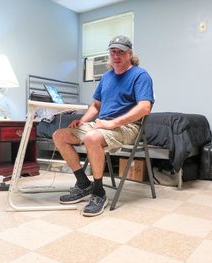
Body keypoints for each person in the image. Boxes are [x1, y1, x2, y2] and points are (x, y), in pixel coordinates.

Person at [53, 35, 154, 216]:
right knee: (59, 135)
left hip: (127, 127)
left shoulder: (140, 75)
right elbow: (96, 105)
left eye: (121, 52)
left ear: (129, 54)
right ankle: (83, 183)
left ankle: (99, 192)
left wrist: (114, 122)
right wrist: (83, 120)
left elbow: (145, 107)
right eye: (113, 51)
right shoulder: (106, 77)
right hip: (101, 124)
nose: (116, 55)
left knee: (92, 138)